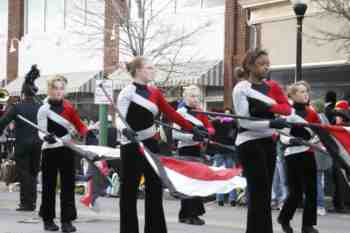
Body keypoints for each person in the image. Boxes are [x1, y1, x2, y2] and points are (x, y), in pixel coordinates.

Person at [117, 56, 205, 233]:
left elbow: (172, 114)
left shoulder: (155, 92)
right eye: (149, 68)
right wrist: (124, 130)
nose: (153, 70)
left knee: (155, 189)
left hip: (151, 143)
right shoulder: (126, 92)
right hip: (131, 145)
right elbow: (119, 119)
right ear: (139, 71)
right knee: (129, 191)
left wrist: (192, 128)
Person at [232, 48, 291, 233]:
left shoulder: (271, 87)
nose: (266, 67)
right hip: (249, 142)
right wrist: (272, 122)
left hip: (268, 142)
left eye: (268, 64)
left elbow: (287, 109)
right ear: (249, 66)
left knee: (265, 194)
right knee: (258, 191)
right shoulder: (241, 88)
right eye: (261, 64)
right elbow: (244, 122)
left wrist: (275, 119)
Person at [37, 75, 88, 232]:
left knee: (68, 186)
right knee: (49, 187)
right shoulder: (43, 109)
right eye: (55, 88)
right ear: (50, 89)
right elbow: (40, 132)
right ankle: (48, 220)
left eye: (61, 88)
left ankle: (67, 221)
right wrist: (46, 137)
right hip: (49, 151)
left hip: (66, 149)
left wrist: (87, 133)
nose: (59, 92)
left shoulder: (69, 107)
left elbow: (80, 126)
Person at [278, 81, 320, 233]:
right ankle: (284, 219)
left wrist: (311, 142)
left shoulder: (313, 113)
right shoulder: (288, 113)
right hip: (292, 154)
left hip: (308, 153)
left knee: (311, 191)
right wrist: (292, 140)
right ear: (293, 95)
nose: (305, 94)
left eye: (306, 91)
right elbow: (282, 136)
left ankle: (308, 225)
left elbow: (320, 133)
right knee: (295, 192)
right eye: (301, 92)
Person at [173, 85, 215, 225]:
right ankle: (187, 215)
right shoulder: (180, 112)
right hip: (186, 150)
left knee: (196, 183)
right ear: (185, 97)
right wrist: (193, 137)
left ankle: (193, 213)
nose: (195, 99)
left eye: (197, 96)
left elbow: (209, 127)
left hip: (198, 151)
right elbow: (175, 133)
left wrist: (207, 133)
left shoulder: (199, 112)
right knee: (188, 184)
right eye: (192, 96)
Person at [0, 75, 41, 211]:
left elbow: (3, 122)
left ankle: (26, 203)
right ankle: (33, 202)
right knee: (33, 173)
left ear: (23, 94)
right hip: (37, 144)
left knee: (24, 173)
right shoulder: (40, 107)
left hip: (22, 145)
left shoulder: (17, 108)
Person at [210, 108, 239, 207]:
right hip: (219, 151)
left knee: (230, 176)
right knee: (220, 176)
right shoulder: (217, 122)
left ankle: (232, 199)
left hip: (229, 151)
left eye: (228, 114)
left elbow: (233, 136)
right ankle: (220, 199)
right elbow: (211, 129)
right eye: (225, 114)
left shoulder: (233, 123)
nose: (227, 116)